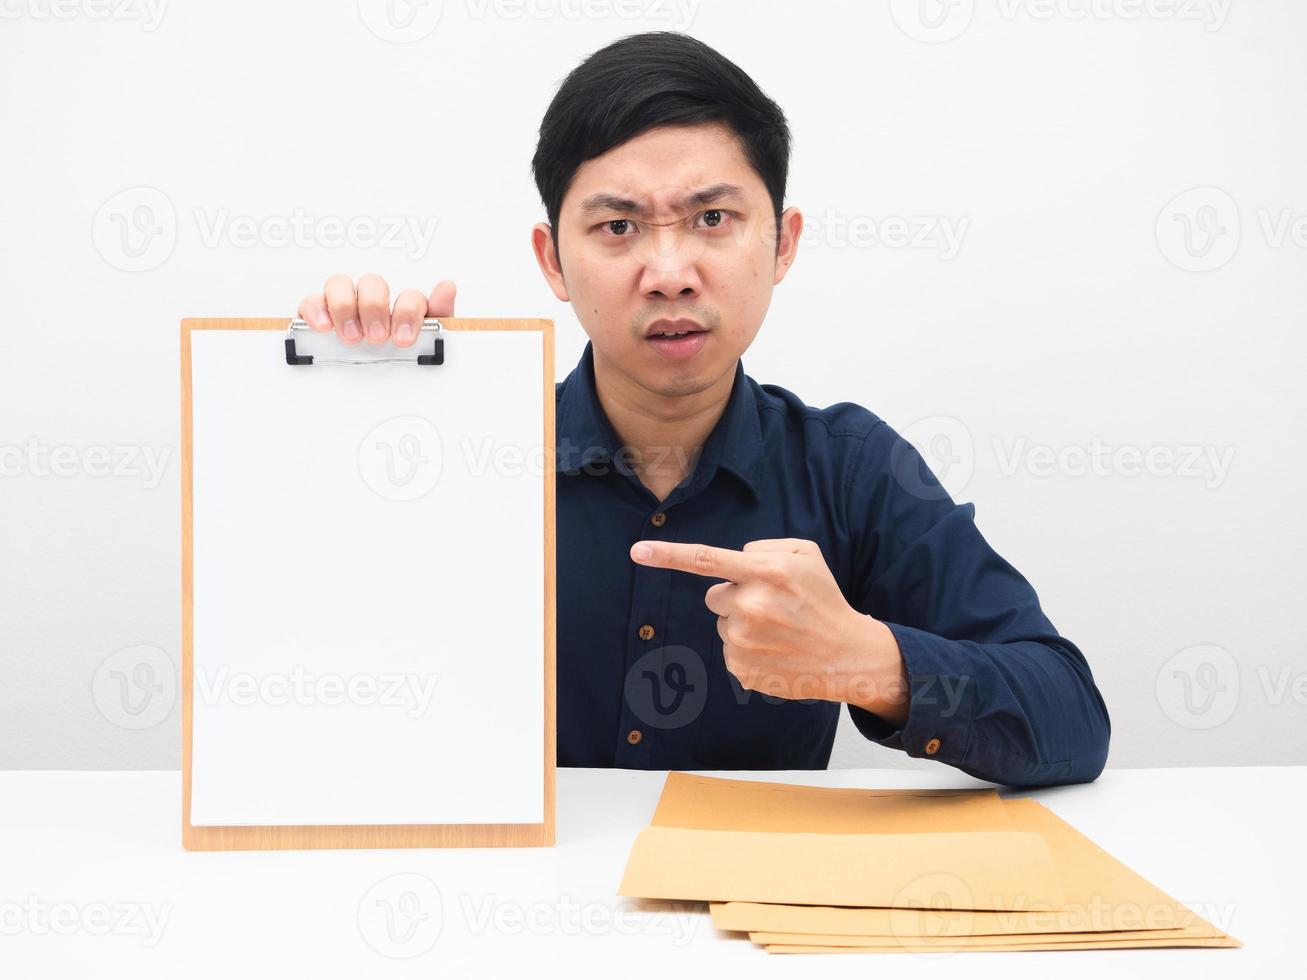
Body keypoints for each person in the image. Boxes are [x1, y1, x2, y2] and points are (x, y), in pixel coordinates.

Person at [295, 31, 1110, 787]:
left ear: (781, 242)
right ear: (552, 260)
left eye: (711, 219)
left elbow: (1071, 718)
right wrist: (355, 411)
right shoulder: (464, 448)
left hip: (749, 925)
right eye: (617, 226)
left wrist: (869, 660)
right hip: (504, 909)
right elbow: (305, 667)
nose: (669, 272)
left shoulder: (850, 467)